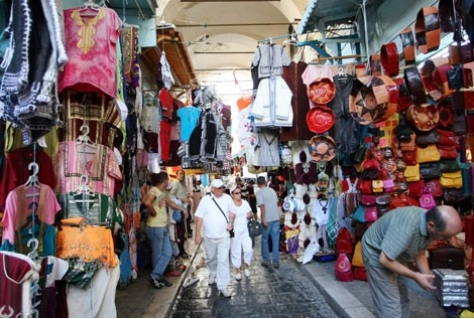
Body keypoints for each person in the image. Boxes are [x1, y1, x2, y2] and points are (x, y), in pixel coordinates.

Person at [361, 205, 462, 318]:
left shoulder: (429, 223)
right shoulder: (406, 227)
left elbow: (420, 252)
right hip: (377, 252)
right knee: (390, 307)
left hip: (396, 254)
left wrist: (427, 276)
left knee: (402, 299)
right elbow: (385, 260)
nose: (448, 240)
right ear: (431, 225)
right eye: (445, 237)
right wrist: (415, 276)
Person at [143, 172, 187, 289]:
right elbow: (147, 202)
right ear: (164, 181)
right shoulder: (154, 191)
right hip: (155, 227)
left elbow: (170, 203)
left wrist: (182, 209)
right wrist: (153, 212)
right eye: (167, 180)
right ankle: (157, 276)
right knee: (158, 254)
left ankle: (157, 275)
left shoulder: (162, 192)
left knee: (167, 252)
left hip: (162, 226)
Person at [194, 179, 235, 298]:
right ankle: (212, 272)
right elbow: (199, 218)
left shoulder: (227, 198)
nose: (220, 190)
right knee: (211, 258)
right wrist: (197, 234)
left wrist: (231, 223)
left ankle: (223, 286)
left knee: (223, 261)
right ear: (212, 189)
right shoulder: (205, 200)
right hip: (209, 237)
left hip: (224, 236)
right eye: (218, 188)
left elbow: (232, 213)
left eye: (222, 187)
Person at [229, 184, 253, 280]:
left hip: (245, 230)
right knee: (236, 251)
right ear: (232, 194)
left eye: (240, 192)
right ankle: (238, 270)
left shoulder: (245, 203)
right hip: (235, 232)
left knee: (248, 250)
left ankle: (246, 266)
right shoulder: (230, 206)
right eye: (237, 193)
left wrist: (249, 215)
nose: (239, 194)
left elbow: (251, 214)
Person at [256, 176, 281, 268]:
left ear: (258, 184)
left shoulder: (259, 193)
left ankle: (266, 260)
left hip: (267, 219)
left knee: (265, 239)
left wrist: (263, 219)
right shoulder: (272, 190)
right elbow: (276, 202)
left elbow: (262, 206)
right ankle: (275, 261)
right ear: (265, 182)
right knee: (275, 240)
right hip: (275, 217)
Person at [170, 169, 192, 256]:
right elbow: (171, 195)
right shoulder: (175, 183)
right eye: (180, 174)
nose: (182, 175)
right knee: (180, 232)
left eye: (183, 174)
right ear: (176, 175)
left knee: (184, 232)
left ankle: (182, 250)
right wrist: (182, 200)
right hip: (179, 210)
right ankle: (180, 251)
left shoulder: (183, 184)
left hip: (185, 209)